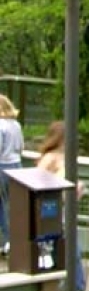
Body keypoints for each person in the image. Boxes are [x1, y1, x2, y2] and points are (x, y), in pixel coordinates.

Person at [38, 120, 87, 291]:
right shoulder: (49, 158)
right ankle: (73, 289)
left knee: (72, 251)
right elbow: (40, 184)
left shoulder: (68, 156)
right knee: (65, 250)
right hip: (54, 210)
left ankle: (76, 289)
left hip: (67, 210)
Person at [0, 95, 24, 256]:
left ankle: (7, 241)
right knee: (13, 206)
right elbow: (21, 147)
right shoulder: (16, 125)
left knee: (2, 206)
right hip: (17, 166)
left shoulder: (0, 125)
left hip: (2, 166)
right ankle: (13, 240)